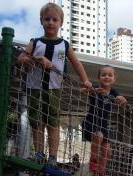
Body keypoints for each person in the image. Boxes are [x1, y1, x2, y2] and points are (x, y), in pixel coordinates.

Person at [17, 3, 92, 166]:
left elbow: (77, 64)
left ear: (61, 23)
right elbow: (21, 59)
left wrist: (85, 80)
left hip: (54, 89)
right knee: (37, 122)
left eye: (55, 19)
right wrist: (36, 59)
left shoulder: (64, 45)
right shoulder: (35, 42)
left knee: (53, 122)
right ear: (41, 21)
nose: (51, 22)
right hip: (35, 88)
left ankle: (52, 157)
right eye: (47, 19)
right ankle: (38, 153)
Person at [82, 65, 126, 176]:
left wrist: (121, 99)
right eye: (103, 75)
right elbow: (84, 90)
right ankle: (93, 159)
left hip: (103, 124)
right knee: (99, 136)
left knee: (107, 150)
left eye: (110, 75)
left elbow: (122, 100)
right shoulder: (96, 89)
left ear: (114, 79)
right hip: (91, 122)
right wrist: (92, 90)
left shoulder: (113, 92)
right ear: (99, 78)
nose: (107, 77)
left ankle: (101, 171)